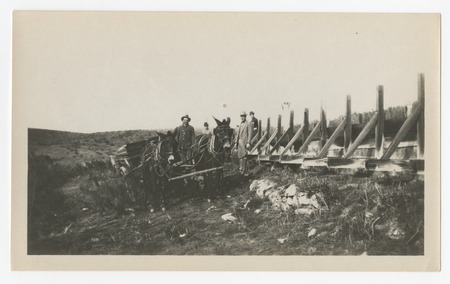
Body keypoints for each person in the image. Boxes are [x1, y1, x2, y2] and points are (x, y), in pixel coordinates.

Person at [236, 111, 253, 176]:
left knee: (244, 156)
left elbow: (250, 134)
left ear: (245, 117)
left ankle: (244, 171)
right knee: (240, 156)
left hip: (245, 142)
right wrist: (236, 143)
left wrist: (248, 142)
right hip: (240, 142)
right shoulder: (240, 124)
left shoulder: (248, 124)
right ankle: (241, 170)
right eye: (241, 116)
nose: (242, 117)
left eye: (243, 116)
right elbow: (238, 134)